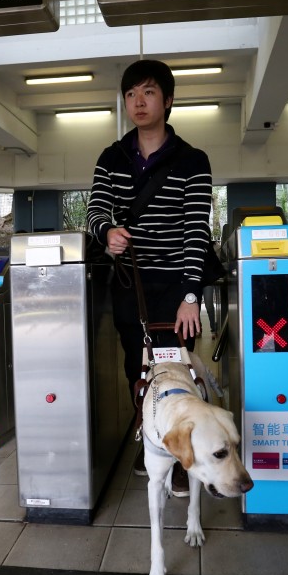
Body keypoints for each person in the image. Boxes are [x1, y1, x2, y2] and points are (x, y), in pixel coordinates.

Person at [86, 59, 213, 496]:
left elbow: (197, 228)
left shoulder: (192, 160)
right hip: (131, 285)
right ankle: (153, 443)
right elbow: (97, 209)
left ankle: (181, 458)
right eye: (130, 95)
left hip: (176, 287)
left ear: (169, 100)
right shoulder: (112, 157)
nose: (138, 102)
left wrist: (192, 295)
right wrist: (107, 232)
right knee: (136, 371)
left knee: (176, 370)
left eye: (148, 92)